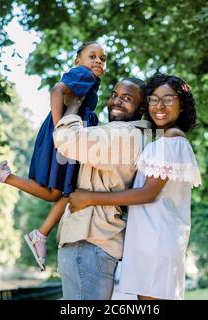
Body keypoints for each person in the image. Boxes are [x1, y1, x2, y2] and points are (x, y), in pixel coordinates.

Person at [0, 41, 106, 271]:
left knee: (63, 192)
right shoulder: (82, 74)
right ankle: (36, 229)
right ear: (78, 60)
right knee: (66, 191)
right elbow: (57, 91)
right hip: (66, 132)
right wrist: (59, 129)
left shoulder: (90, 79)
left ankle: (38, 230)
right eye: (92, 56)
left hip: (71, 132)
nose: (98, 60)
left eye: (103, 58)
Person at [69, 73, 201, 300]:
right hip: (149, 240)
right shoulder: (161, 140)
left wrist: (89, 197)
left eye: (168, 99)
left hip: (157, 242)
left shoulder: (172, 139)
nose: (159, 106)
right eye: (154, 99)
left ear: (182, 105)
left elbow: (147, 193)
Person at [52, 77, 151, 300]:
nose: (116, 101)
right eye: (114, 95)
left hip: (88, 239)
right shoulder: (138, 136)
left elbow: (68, 140)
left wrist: (74, 107)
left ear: (142, 107)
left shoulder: (124, 135)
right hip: (96, 242)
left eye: (127, 98)